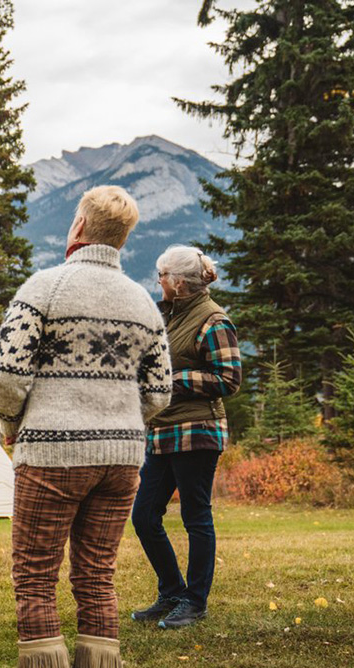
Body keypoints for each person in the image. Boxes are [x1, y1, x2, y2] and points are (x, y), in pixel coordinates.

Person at [0, 185, 172, 668]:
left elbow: (5, 377)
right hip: (121, 462)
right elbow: (159, 392)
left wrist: (9, 424)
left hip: (52, 455)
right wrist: (120, 418)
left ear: (78, 228)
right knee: (97, 579)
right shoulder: (143, 303)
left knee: (36, 578)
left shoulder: (45, 287)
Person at [130, 246, 242, 630]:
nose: (157, 281)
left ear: (177, 282)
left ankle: (195, 602)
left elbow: (229, 378)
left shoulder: (214, 321)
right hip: (162, 432)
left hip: (197, 431)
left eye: (161, 275)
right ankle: (172, 591)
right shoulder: (168, 317)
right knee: (144, 516)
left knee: (196, 515)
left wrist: (174, 381)